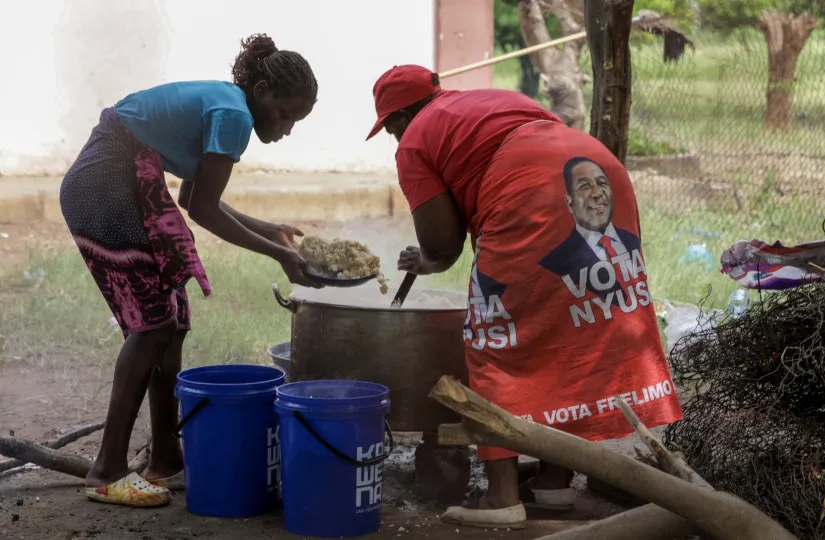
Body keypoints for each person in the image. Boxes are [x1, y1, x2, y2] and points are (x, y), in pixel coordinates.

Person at [366, 65, 684, 529]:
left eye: (391, 128)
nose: (395, 138)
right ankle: (555, 480)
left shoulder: (415, 140)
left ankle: (501, 496)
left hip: (529, 190)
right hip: (598, 173)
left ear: (399, 118)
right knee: (575, 322)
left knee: (497, 334)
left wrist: (428, 260)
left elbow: (443, 245)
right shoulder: (493, 100)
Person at [59, 33, 318, 507]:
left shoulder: (227, 103)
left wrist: (270, 228)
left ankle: (166, 457)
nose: (286, 128)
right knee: (152, 323)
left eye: (297, 121)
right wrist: (280, 254)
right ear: (261, 92)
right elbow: (204, 211)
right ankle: (107, 469)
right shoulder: (234, 115)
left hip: (126, 185)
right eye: (286, 114)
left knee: (172, 322)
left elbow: (193, 199)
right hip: (105, 186)